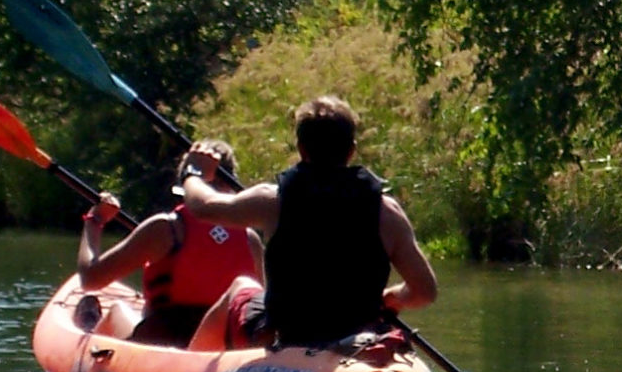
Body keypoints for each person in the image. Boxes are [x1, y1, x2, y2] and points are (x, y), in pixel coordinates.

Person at [178, 94, 438, 351]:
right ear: (351, 150)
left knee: (241, 287)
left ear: (301, 149)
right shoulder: (386, 212)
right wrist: (392, 298)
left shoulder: (272, 201)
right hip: (357, 335)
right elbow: (424, 291)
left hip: (290, 335)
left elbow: (203, 206)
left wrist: (194, 172)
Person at [75, 139, 263, 348]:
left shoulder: (165, 229)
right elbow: (257, 307)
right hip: (219, 350)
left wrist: (95, 221)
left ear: (187, 182)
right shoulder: (250, 238)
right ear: (231, 181)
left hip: (162, 345)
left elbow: (89, 279)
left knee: (117, 310)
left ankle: (85, 353)